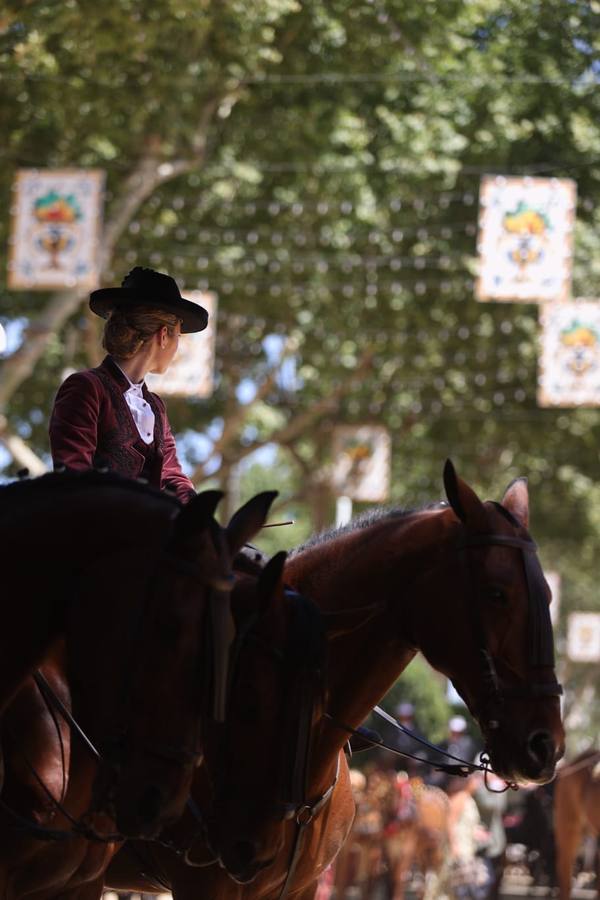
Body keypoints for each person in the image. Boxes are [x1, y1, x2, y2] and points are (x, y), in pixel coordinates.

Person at [49, 266, 208, 504]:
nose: (178, 347)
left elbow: (171, 476)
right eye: (179, 336)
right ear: (164, 335)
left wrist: (199, 513)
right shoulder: (86, 387)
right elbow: (74, 478)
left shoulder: (156, 407)